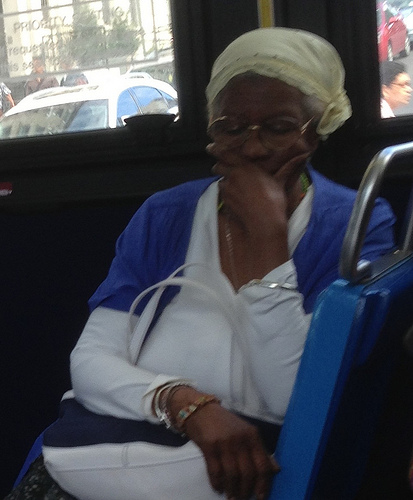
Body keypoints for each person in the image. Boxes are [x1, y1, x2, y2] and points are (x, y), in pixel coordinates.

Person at [8, 28, 396, 500]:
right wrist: (186, 405)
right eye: (231, 128)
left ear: (318, 131)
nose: (252, 148)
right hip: (115, 448)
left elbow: (293, 399)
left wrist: (268, 244)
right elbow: (90, 362)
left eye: (278, 128)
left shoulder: (354, 224)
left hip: (242, 470)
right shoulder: (165, 215)